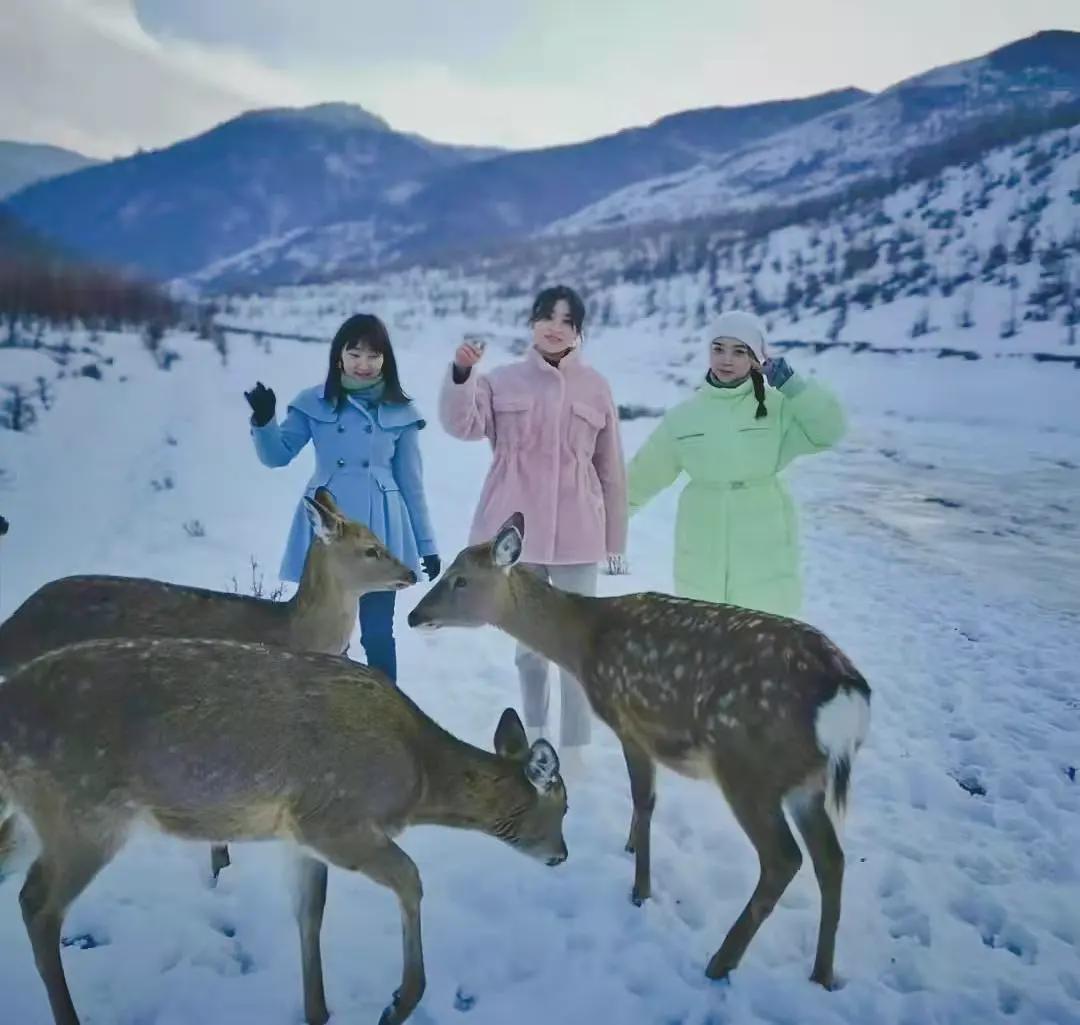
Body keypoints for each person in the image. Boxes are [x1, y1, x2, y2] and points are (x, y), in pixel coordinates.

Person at [439, 285, 627, 771]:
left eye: (567, 321)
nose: (555, 328)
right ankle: (537, 734)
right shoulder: (500, 381)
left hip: (579, 534)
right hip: (516, 538)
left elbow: (610, 468)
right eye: (547, 317)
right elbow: (461, 424)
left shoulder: (597, 387)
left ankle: (576, 747)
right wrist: (461, 374)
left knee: (577, 648)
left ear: (579, 332)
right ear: (532, 323)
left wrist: (615, 540)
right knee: (530, 649)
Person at [245, 313, 438, 682]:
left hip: (381, 531)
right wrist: (264, 422)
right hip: (327, 530)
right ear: (339, 358)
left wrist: (426, 545)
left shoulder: (400, 412)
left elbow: (412, 485)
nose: (363, 364)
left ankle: (385, 709)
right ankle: (324, 705)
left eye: (373, 356)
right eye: (355, 354)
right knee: (323, 631)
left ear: (386, 360)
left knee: (378, 633)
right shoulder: (313, 404)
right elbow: (277, 456)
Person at [626, 310, 845, 618]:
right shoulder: (685, 417)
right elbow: (640, 478)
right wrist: (598, 523)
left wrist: (794, 386)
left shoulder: (779, 409)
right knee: (708, 641)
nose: (726, 360)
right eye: (718, 349)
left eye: (739, 351)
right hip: (701, 563)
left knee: (765, 641)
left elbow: (830, 431)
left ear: (756, 357)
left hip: (765, 562)